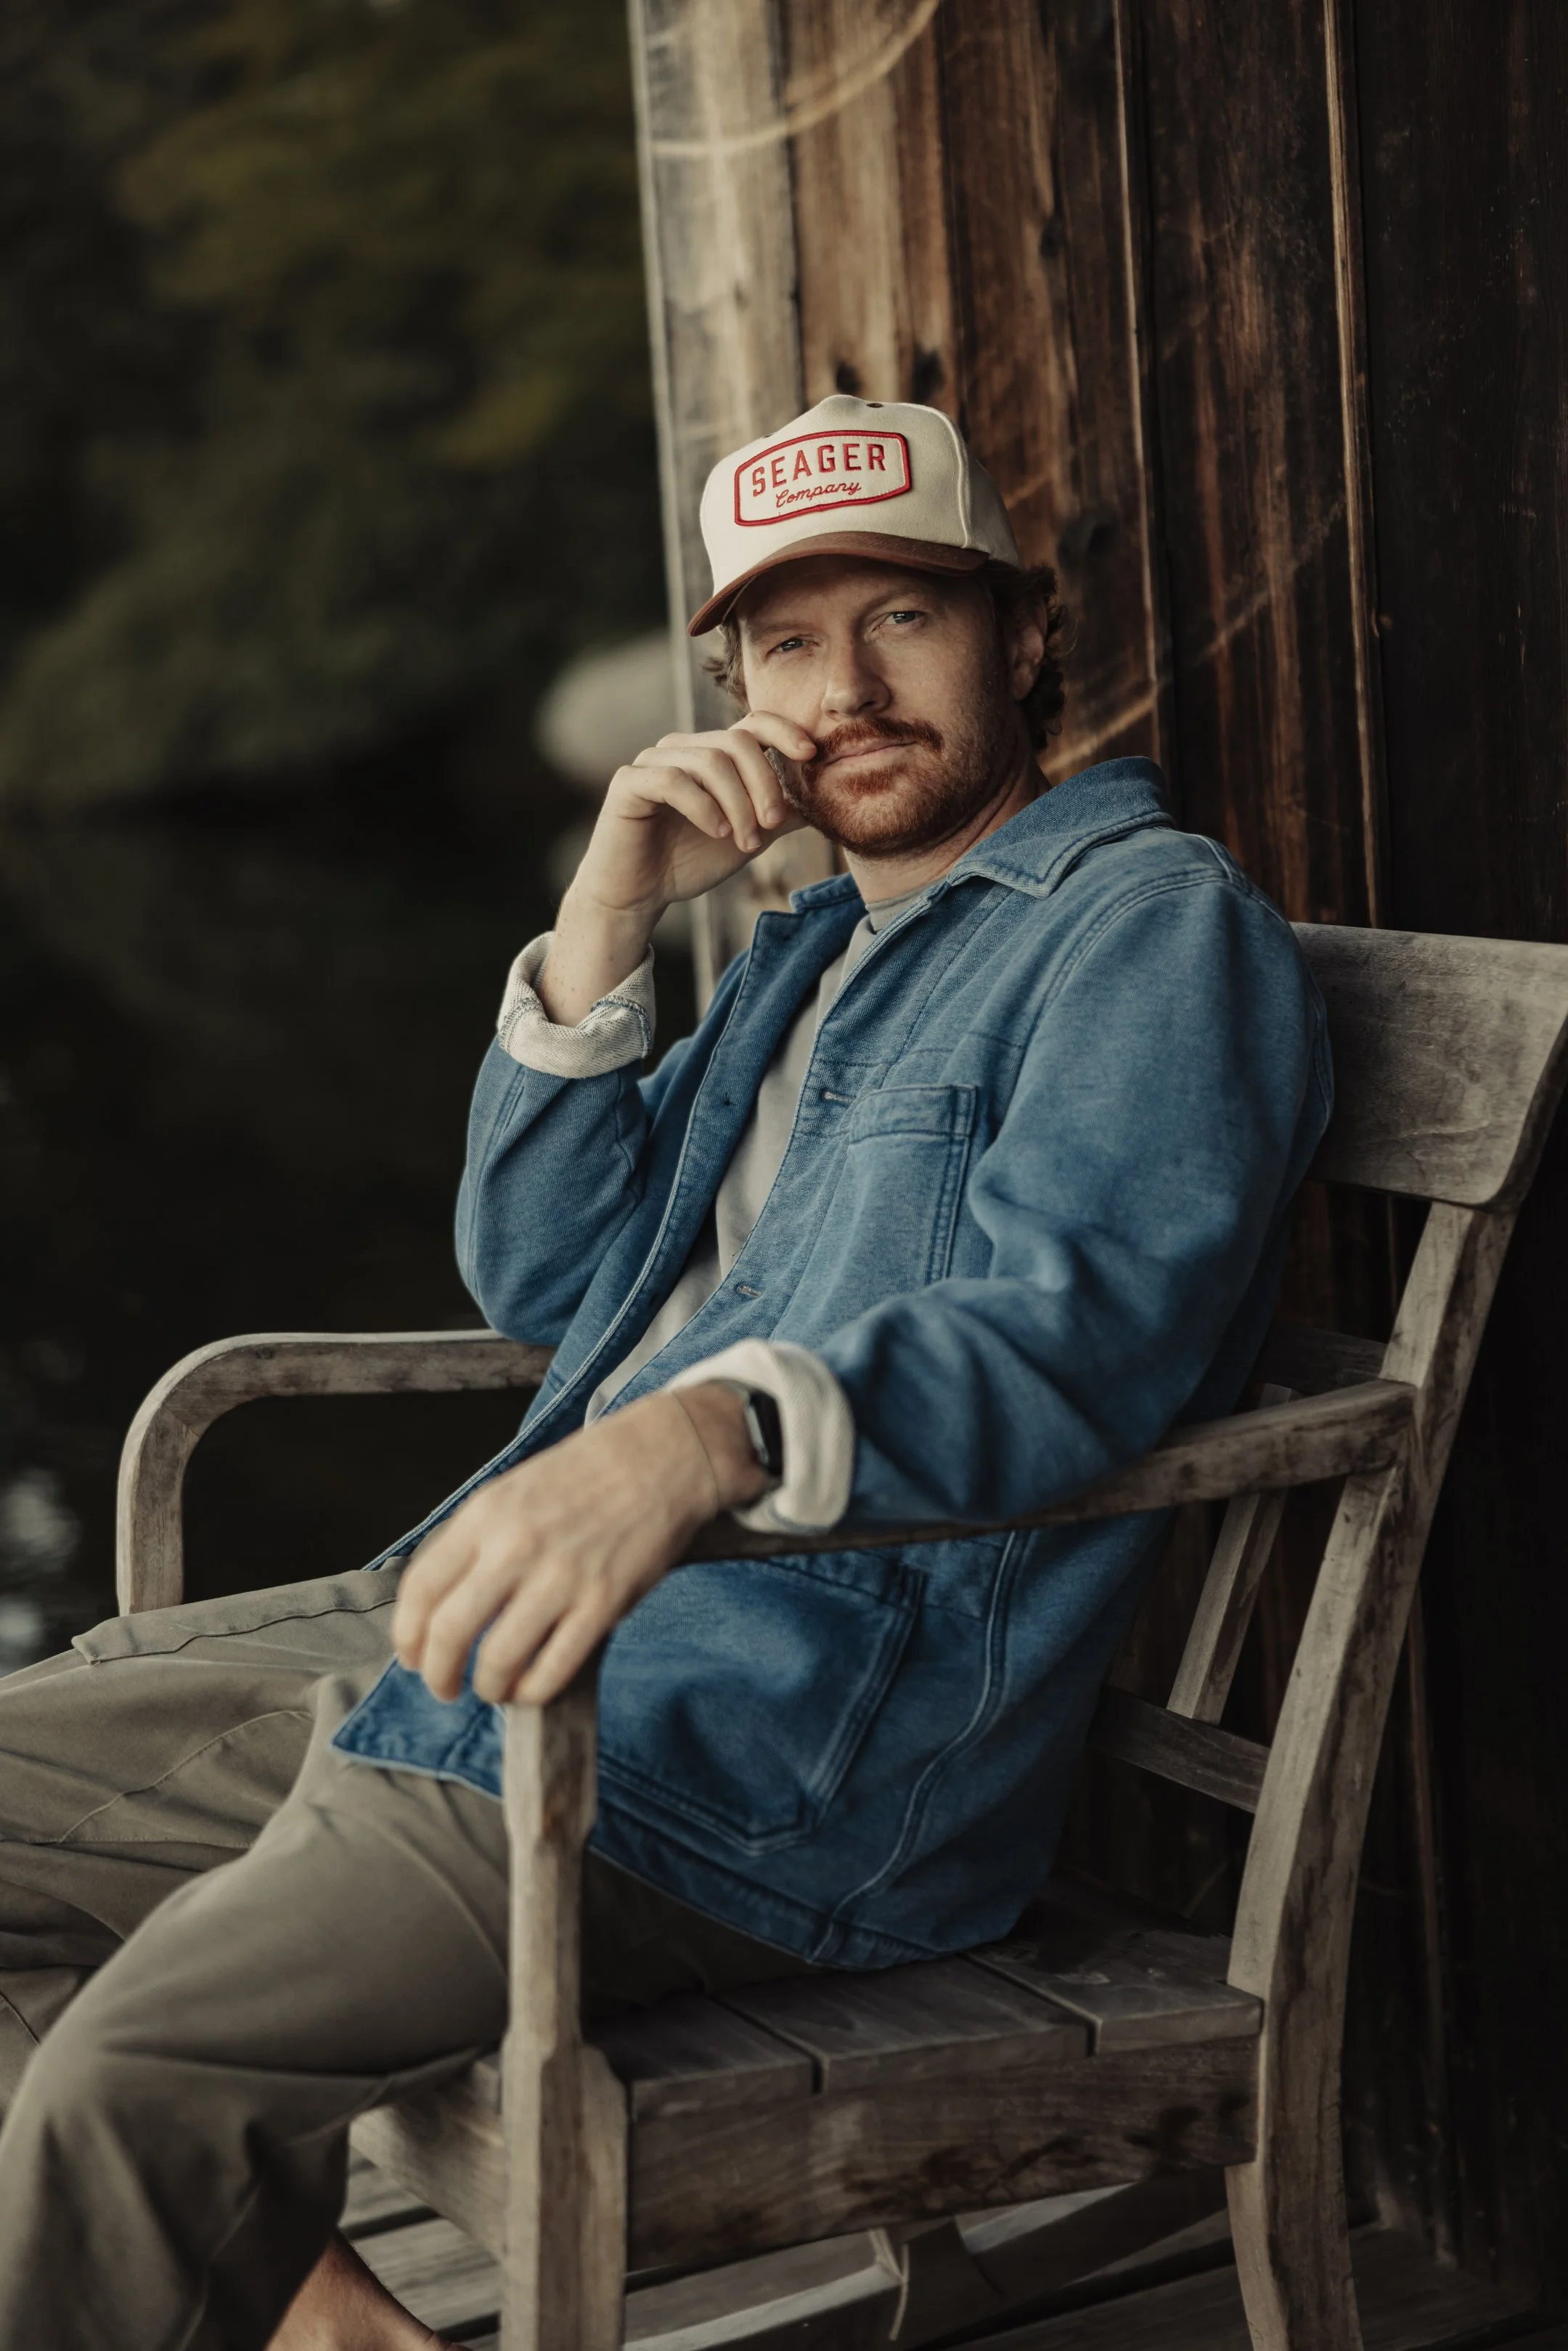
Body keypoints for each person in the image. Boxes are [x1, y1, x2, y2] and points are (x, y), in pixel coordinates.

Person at [0, 395, 1331, 2349]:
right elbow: (548, 1274)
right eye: (793, 643)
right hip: (484, 1635)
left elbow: (1088, 1326)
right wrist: (605, 911)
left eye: (905, 620)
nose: (850, 688)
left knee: (131, 2090)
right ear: (735, 685)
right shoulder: (810, 952)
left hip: (764, 1752)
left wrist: (707, 1431)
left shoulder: (1144, 925)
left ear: (1022, 635)